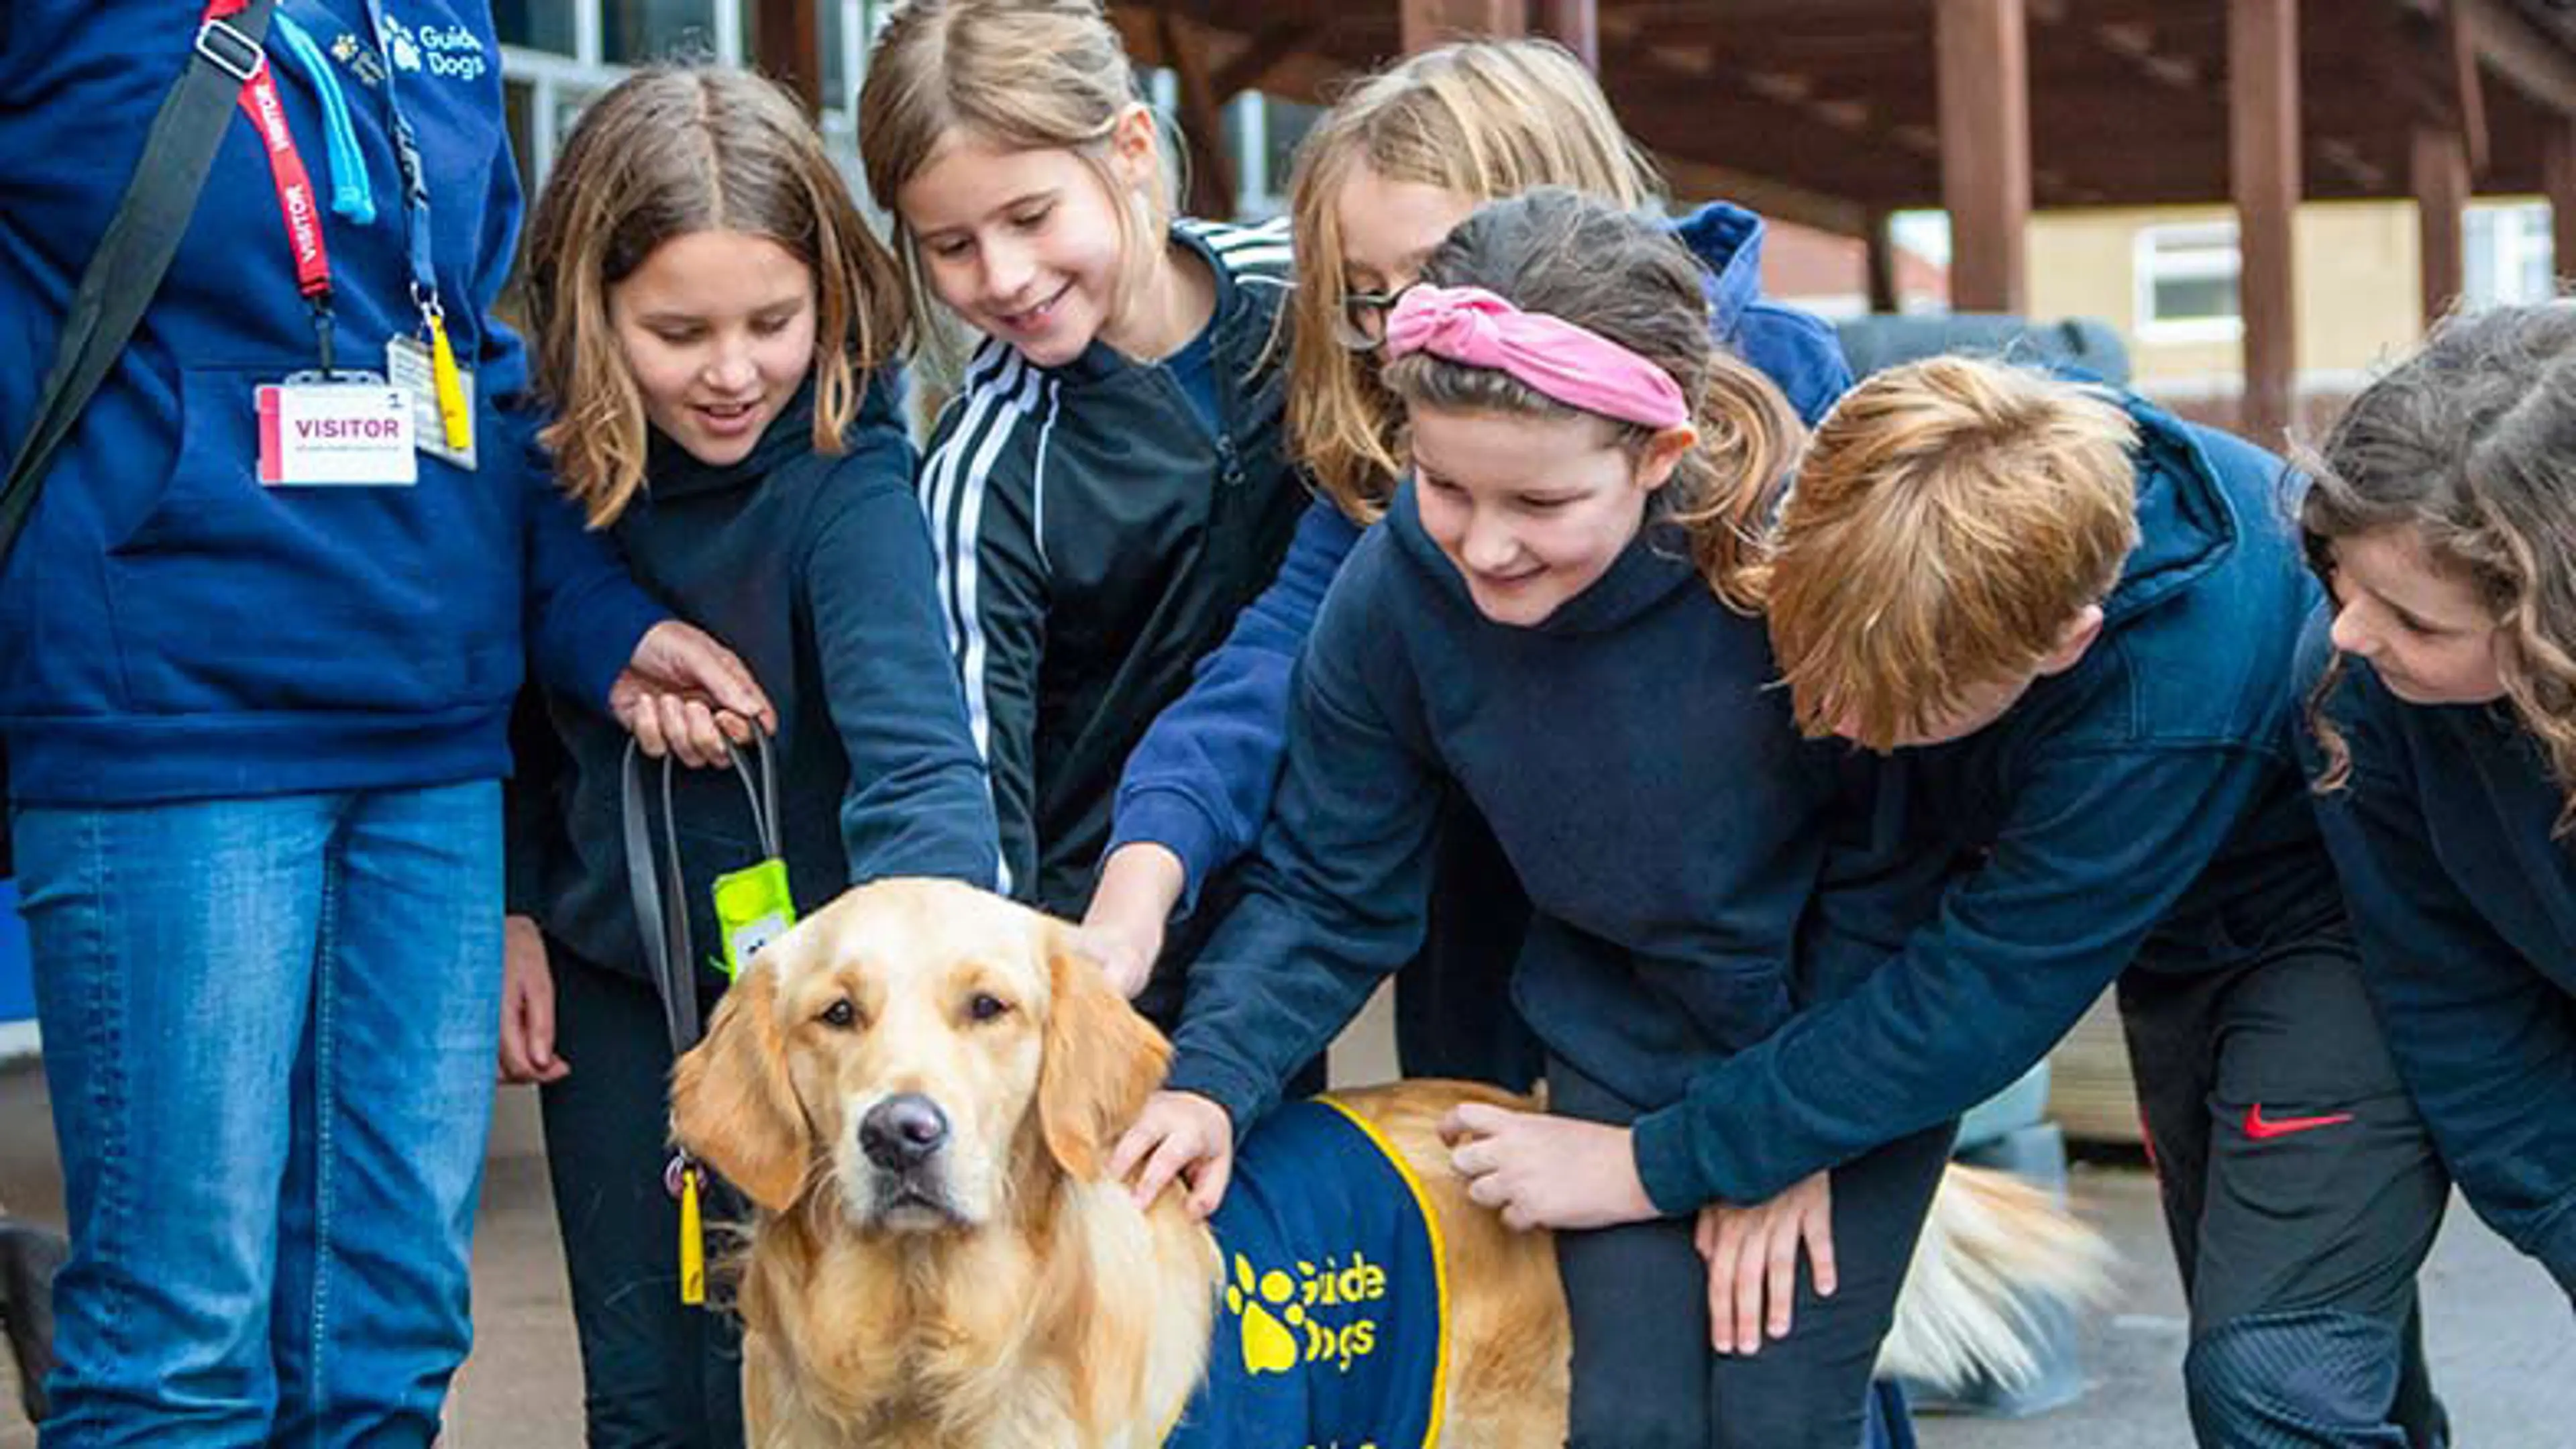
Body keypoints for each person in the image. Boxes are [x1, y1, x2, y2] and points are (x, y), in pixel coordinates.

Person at [0, 3, 767, 1444]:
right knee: (180, 1346)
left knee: (393, 1333)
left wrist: (600, 631)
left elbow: (480, 366)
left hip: (429, 739)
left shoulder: (444, 24)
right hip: (176, 720)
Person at [1477, 354, 2449, 1445]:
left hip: (2313, 927)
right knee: (2344, 1345)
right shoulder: (1914, 469)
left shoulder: (2162, 706)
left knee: (2279, 1369)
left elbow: (1978, 995)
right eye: (1810, 665)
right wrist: (1780, 1129)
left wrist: (1668, 1159)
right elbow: (1876, 851)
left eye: (1899, 707)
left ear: (2063, 643)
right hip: (2154, 939)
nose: (1833, 721)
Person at [1118, 189, 1935, 1449]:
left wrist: (1793, 1125)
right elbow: (1334, 888)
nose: (1484, 548)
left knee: (1776, 1407)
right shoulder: (1399, 593)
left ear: (1659, 455)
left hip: (1829, 1027)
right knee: (1627, 1415)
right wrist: (1214, 1080)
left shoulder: (1795, 576)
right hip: (1622, 1026)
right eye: (1445, 487)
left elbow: (1899, 873)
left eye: (1540, 509)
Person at [1084, 38, 1853, 1091]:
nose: (1411, 328)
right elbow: (1270, 666)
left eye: (1438, 272)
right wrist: (1152, 855)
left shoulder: (1780, 387)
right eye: (1368, 293)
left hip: (1729, 940)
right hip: (1487, 896)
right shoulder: (1424, 478)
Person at [500, 66, 1002, 1449]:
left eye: (772, 322)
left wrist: (927, 1018)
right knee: (647, 1388)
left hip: (824, 1033)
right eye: (678, 330)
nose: (733, 372)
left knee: (839, 1383)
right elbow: (506, 723)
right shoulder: (549, 488)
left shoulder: (844, 490)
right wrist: (514, 905)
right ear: (588, 312)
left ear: (830, 298)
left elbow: (920, 764)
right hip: (615, 999)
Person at [855, 0, 1308, 1028]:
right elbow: (976, 770)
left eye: (1030, 217)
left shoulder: (1303, 301)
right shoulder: (987, 471)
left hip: (1292, 897)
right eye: (952, 245)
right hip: (1104, 947)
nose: (1005, 276)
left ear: (1132, 147)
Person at [2297, 300, 2576, 1303]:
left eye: (2415, 619)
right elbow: (2459, 1009)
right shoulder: (2359, 703)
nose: (2349, 635)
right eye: (2339, 575)